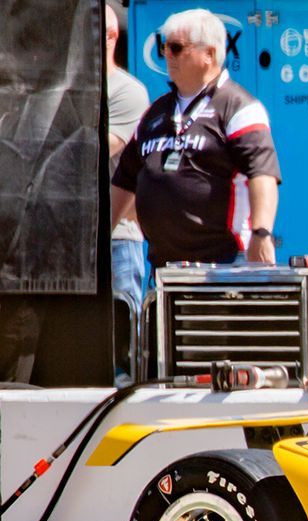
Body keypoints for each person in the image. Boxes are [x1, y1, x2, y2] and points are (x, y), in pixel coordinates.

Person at [110, 8, 279, 268]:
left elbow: (262, 174)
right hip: (166, 267)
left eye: (176, 48)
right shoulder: (155, 113)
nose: (167, 55)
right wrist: (97, 244)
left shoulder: (239, 106)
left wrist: (262, 232)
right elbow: (123, 181)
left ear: (209, 54)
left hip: (226, 265)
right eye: (163, 47)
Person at [106, 2, 150, 383]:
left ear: (110, 37)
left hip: (119, 237)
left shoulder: (128, 93)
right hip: (71, 244)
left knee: (121, 344)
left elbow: (91, 149)